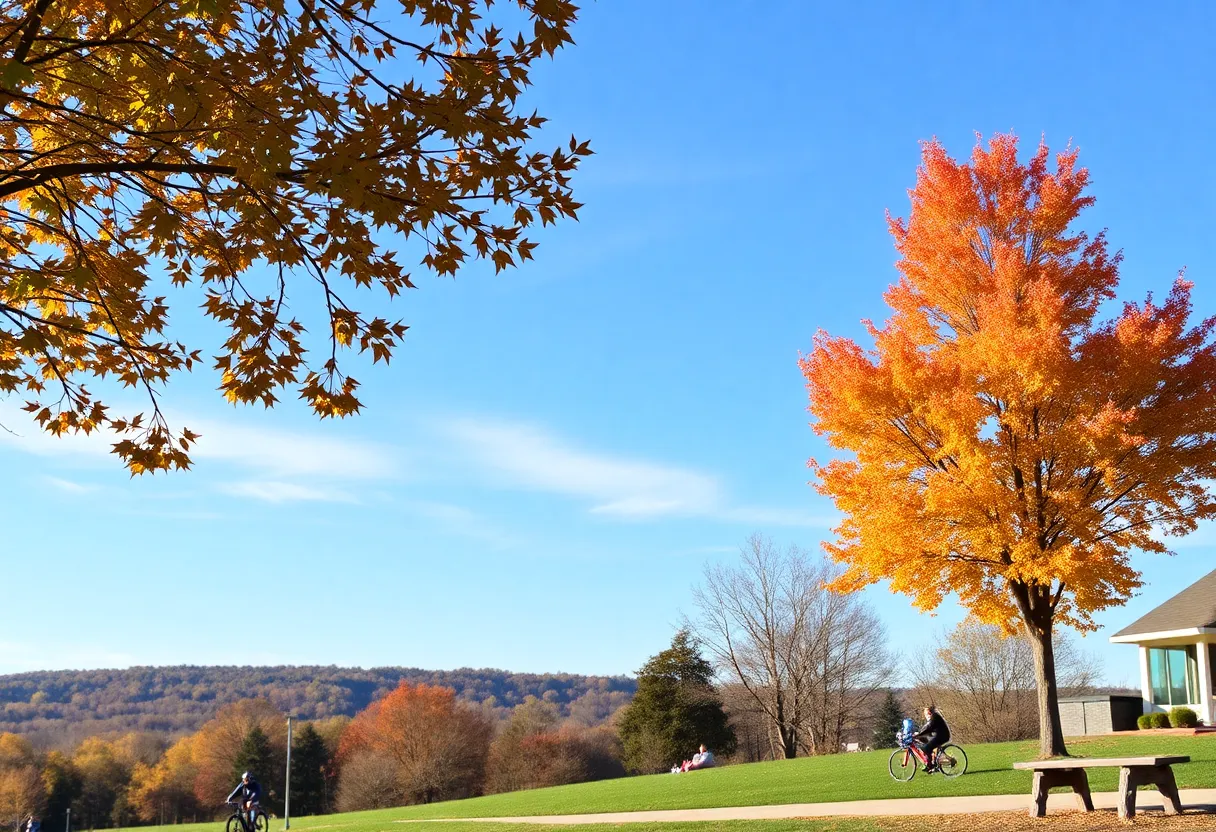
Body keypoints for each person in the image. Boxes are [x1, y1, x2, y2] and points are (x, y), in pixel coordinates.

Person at [913, 705, 950, 772]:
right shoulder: (933, 716)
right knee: (926, 744)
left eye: (926, 713)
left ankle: (930, 765)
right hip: (938, 735)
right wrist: (919, 734)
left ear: (930, 712)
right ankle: (934, 763)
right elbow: (926, 727)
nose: (926, 715)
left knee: (927, 748)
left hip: (942, 736)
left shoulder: (934, 717)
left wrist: (918, 735)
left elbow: (928, 727)